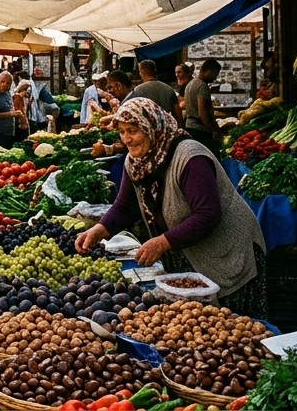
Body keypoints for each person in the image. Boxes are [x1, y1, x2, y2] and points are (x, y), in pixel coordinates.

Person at [76, 98, 267, 318]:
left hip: (229, 252)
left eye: (133, 130)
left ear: (152, 127)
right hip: (192, 253)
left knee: (236, 325)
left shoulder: (190, 156)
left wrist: (163, 242)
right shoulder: (136, 161)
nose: (126, 139)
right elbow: (126, 206)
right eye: (121, 131)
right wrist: (99, 230)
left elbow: (207, 214)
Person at [183, 59, 222, 152]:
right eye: (215, 74)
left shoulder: (190, 84)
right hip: (200, 130)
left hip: (190, 127)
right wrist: (213, 130)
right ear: (209, 71)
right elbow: (202, 112)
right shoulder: (202, 86)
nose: (215, 78)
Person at [0, 71, 24, 150]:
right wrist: (10, 114)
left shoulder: (7, 93)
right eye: (2, 82)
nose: (4, 85)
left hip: (8, 134)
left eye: (7, 83)